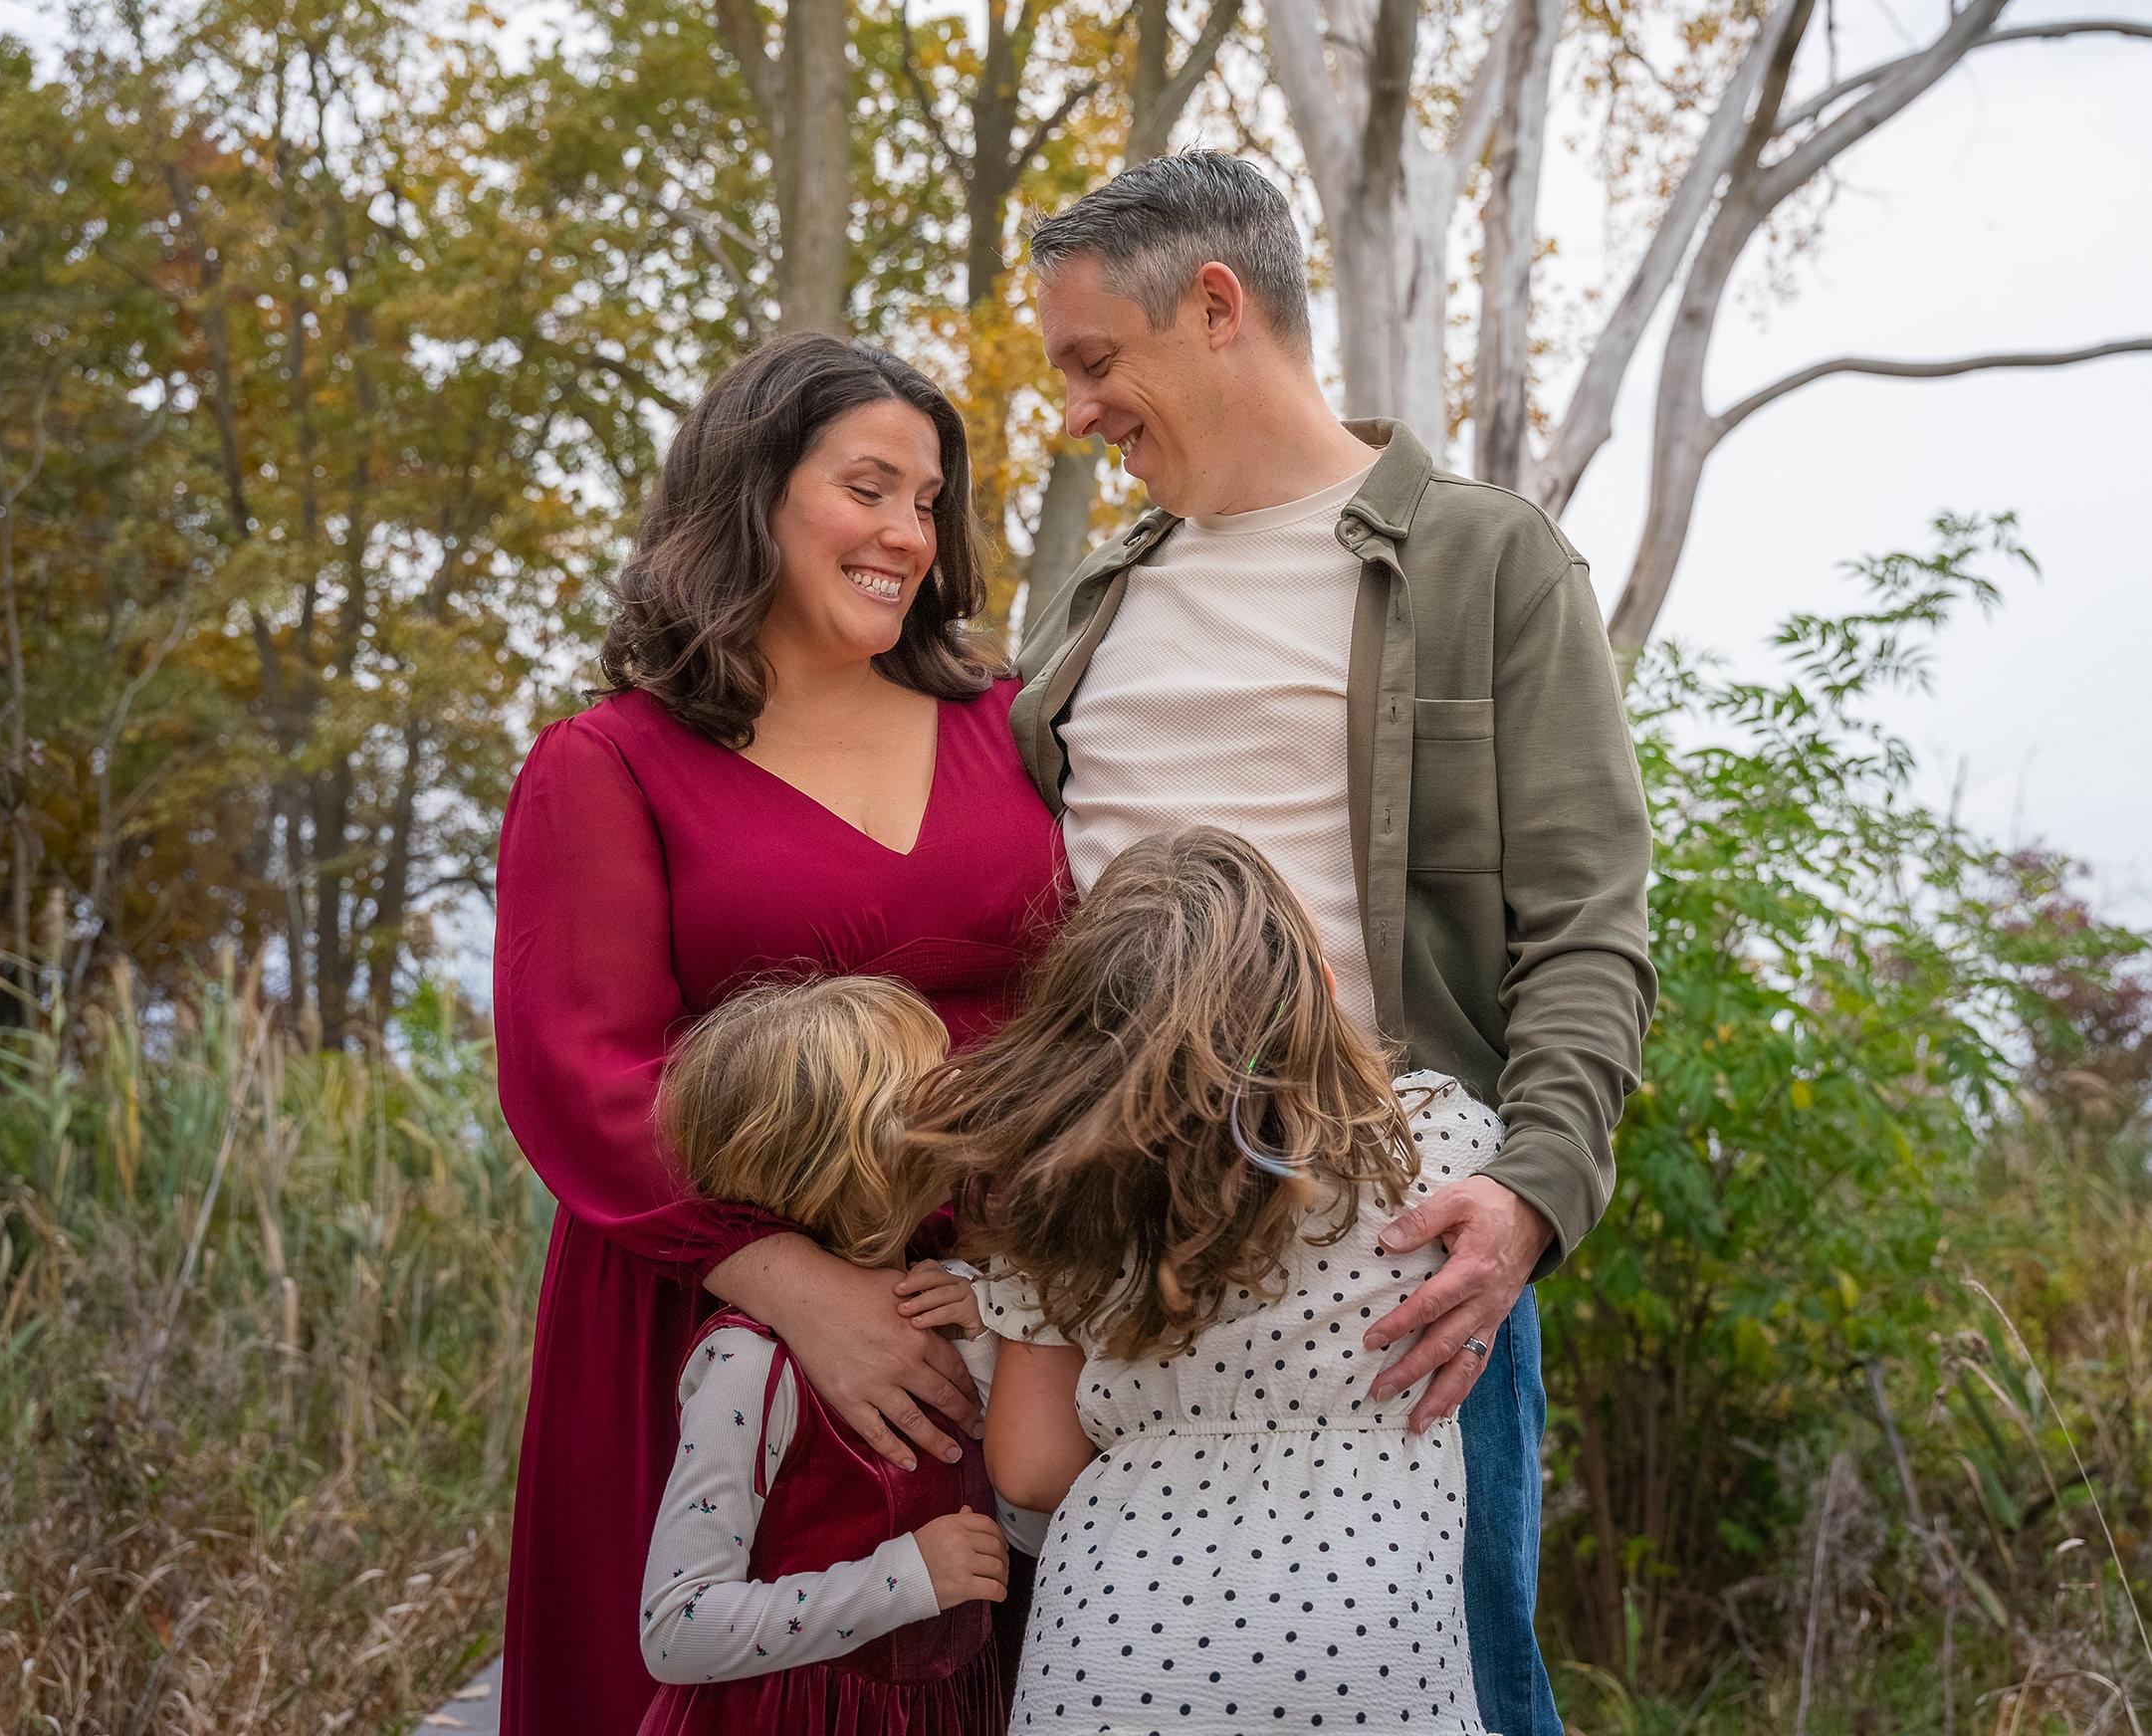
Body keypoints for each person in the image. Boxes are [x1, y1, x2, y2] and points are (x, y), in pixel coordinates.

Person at [1010, 151, 1657, 1734]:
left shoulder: (1483, 562)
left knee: (1472, 1691)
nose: (1076, 412)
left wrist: (1530, 1195)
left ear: (1214, 307)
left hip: (1396, 1275)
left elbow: (1589, 928)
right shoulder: (1092, 610)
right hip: (1121, 1269)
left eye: (1095, 360)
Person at [493, 333, 1068, 1735]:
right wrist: (803, 1293)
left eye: (927, 502)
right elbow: (582, 1076)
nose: (906, 535)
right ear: (751, 492)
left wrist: (1027, 1276)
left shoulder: (1012, 725)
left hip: (993, 1314)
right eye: (867, 488)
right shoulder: (610, 761)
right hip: (717, 1311)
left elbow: (1095, 1003)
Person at [904, 826, 1508, 1733]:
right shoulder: (1442, 1143)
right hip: (1367, 1655)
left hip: (1111, 1654)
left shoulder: (1058, 1193)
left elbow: (1031, 1470)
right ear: (1323, 988)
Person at [634, 975, 1015, 1736]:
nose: (961, 1092)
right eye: (929, 1089)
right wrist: (902, 1580)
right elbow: (676, 1628)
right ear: (859, 1159)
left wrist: (989, 1337)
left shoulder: (955, 1306)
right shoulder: (751, 1366)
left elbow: (1020, 1517)